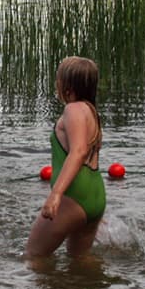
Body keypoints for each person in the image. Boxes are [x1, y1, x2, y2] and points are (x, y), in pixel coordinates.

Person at [25, 56, 106, 259]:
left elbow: (78, 152)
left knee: (33, 256)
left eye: (58, 79)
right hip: (95, 195)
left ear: (67, 86)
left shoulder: (74, 109)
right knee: (79, 260)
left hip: (73, 196)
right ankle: (89, 288)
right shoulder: (92, 112)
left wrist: (56, 195)